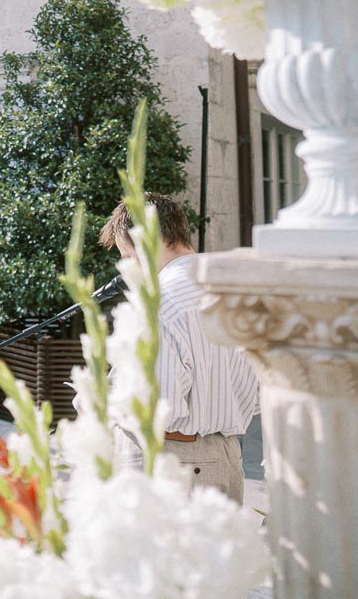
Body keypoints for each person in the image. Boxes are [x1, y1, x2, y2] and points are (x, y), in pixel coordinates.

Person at [100, 192, 259, 504]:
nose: (126, 268)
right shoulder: (236, 291)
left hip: (168, 461)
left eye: (127, 256)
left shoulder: (160, 302)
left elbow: (158, 407)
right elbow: (256, 394)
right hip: (228, 456)